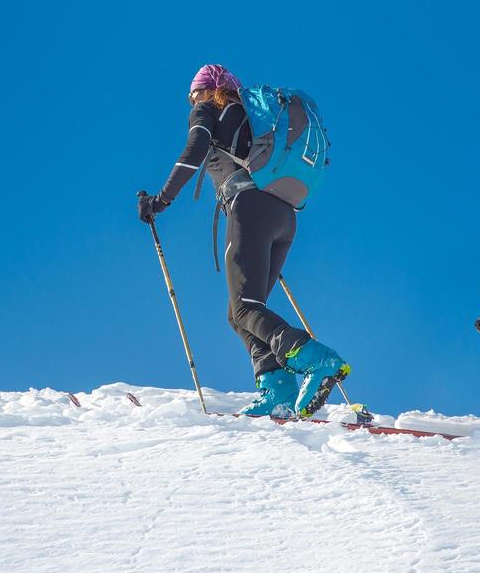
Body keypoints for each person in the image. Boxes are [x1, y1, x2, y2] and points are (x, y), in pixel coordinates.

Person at [138, 64, 349, 418]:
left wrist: (159, 201)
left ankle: (316, 360)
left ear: (207, 91)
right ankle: (277, 387)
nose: (191, 101)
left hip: (250, 208)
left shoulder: (209, 110)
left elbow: (193, 152)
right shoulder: (254, 120)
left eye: (193, 94)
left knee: (245, 308)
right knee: (241, 313)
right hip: (283, 216)